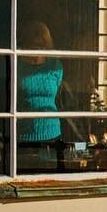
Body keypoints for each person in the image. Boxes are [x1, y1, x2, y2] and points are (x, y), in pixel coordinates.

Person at [16, 21, 65, 166]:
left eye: (41, 47)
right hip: (23, 135)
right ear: (25, 45)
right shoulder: (16, 65)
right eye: (33, 47)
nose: (37, 52)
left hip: (52, 133)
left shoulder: (55, 66)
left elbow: (56, 95)